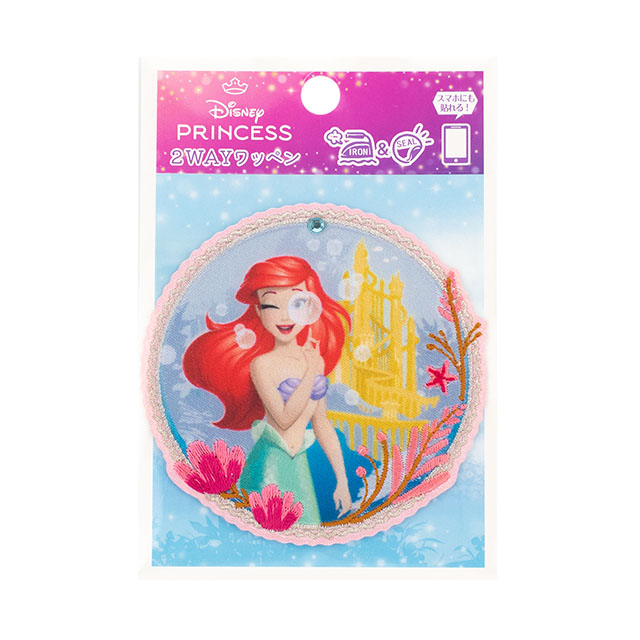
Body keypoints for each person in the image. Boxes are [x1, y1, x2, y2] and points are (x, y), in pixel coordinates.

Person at [183, 256, 353, 524]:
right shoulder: (262, 364)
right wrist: (311, 371)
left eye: (296, 303)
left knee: (306, 530)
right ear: (259, 311)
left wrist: (341, 480)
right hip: (270, 464)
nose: (284, 316)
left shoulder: (314, 360)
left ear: (311, 307)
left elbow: (321, 423)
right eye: (272, 305)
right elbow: (284, 419)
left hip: (299, 465)